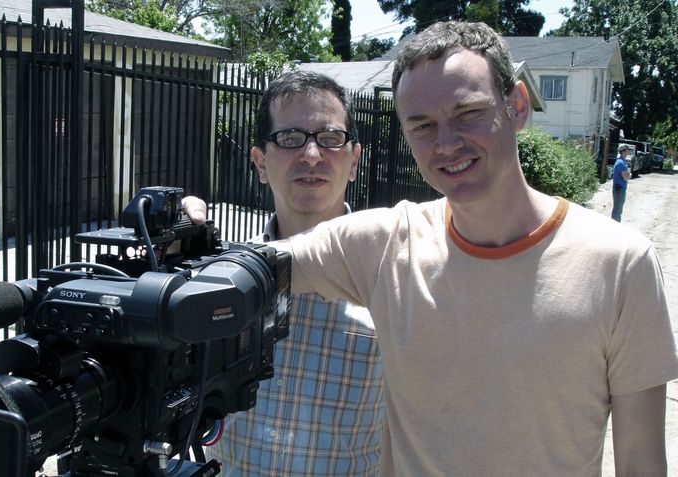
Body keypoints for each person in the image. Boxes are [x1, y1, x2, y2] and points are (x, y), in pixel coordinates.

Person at [186, 21, 678, 476]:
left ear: (518, 106)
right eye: (421, 125)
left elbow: (641, 465)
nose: (446, 142)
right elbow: (257, 264)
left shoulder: (621, 264)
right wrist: (184, 241)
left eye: (468, 113)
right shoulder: (383, 245)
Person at [202, 71, 385, 476]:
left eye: (331, 138)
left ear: (354, 161)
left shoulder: (391, 282)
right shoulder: (217, 279)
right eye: (290, 138)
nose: (312, 155)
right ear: (260, 162)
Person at [612, 144, 631, 221]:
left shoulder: (621, 161)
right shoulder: (621, 163)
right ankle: (615, 227)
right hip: (619, 189)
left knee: (617, 209)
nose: (628, 151)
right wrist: (630, 174)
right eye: (627, 149)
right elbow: (626, 177)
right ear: (623, 151)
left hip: (619, 189)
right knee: (618, 210)